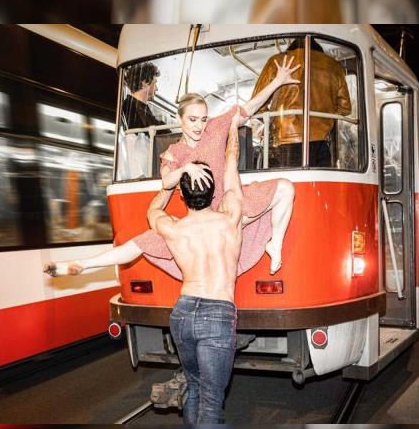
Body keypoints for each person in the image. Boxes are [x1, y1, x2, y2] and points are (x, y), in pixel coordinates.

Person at [44, 55, 300, 279]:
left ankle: (275, 244)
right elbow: (166, 182)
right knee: (139, 243)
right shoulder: (173, 152)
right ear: (179, 119)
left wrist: (277, 82)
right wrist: (185, 169)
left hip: (230, 209)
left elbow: (247, 108)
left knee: (285, 189)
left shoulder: (215, 128)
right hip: (202, 221)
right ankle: (83, 264)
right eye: (192, 119)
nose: (199, 126)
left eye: (203, 119)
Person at [145, 112, 247, 423]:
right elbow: (231, 162)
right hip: (217, 314)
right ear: (214, 192)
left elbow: (153, 209)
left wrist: (171, 180)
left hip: (182, 313)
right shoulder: (230, 217)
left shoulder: (174, 228)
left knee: (194, 385)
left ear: (183, 195)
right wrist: (232, 127)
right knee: (212, 400)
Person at [250, 37, 352, 168]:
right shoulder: (334, 66)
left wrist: (273, 124)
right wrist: (322, 118)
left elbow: (257, 105)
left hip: (286, 140)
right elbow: (345, 108)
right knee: (321, 180)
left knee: (290, 180)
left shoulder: (278, 61)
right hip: (322, 141)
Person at [121, 61, 171, 133]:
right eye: (155, 83)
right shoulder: (129, 106)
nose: (156, 88)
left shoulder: (139, 107)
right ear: (144, 83)